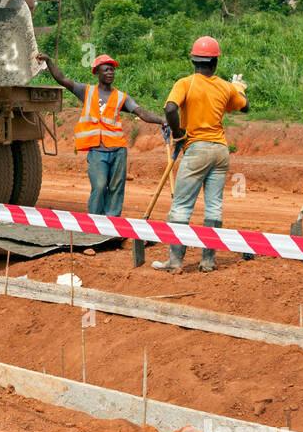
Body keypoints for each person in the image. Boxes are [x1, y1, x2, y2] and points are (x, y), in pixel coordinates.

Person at [155, 36, 248, 273]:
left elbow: (170, 108)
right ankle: (208, 261)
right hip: (220, 150)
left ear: (193, 60)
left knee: (182, 206)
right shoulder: (225, 86)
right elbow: (245, 106)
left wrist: (178, 133)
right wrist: (238, 88)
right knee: (214, 206)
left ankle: (175, 262)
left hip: (197, 149)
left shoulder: (185, 83)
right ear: (215, 63)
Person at [37, 52, 166, 216]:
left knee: (116, 188)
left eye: (112, 70)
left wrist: (162, 121)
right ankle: (95, 223)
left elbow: (141, 112)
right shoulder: (86, 91)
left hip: (118, 150)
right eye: (106, 70)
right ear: (97, 72)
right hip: (97, 151)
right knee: (99, 186)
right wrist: (48, 61)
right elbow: (62, 79)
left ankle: (112, 222)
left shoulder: (121, 97)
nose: (110, 73)